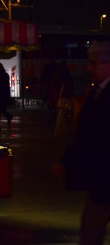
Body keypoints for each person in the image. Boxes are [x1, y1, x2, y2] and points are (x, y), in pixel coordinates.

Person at [61, 41, 110, 245]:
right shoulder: (97, 91)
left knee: (91, 227)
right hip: (102, 179)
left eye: (94, 63)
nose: (88, 68)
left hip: (105, 179)